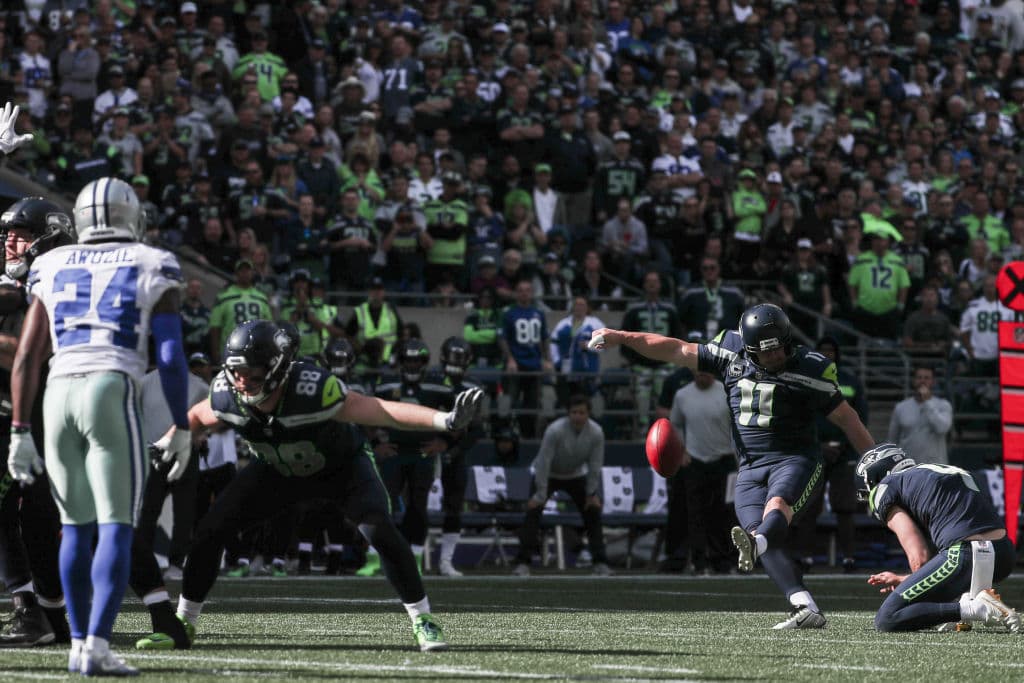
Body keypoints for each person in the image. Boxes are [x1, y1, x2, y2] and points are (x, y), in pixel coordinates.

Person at [169, 320, 484, 652]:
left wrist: (443, 420)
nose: (243, 379)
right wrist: (167, 443)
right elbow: (195, 417)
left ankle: (423, 620)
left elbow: (378, 410)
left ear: (278, 367)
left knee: (379, 530)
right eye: (237, 370)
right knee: (210, 531)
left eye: (253, 370)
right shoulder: (226, 393)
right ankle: (182, 624)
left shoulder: (312, 388)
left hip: (340, 467)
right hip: (278, 470)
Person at [590, 303, 876, 628]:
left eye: (779, 349)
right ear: (749, 347)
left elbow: (848, 419)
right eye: (764, 353)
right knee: (756, 537)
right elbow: (675, 349)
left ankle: (763, 545)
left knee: (775, 509)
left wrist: (874, 461)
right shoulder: (730, 353)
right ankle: (803, 605)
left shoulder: (810, 368)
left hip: (795, 459)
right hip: (750, 467)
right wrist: (621, 336)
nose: (774, 358)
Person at [8, 178, 193, 675]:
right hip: (110, 387)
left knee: (73, 528)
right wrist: (182, 424)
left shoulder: (48, 264)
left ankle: (73, 642)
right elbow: (172, 357)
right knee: (115, 525)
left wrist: (21, 429)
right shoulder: (153, 261)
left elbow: (26, 356)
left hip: (57, 394)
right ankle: (96, 645)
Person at [0, 197, 74, 648]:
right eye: (6, 232)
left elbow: (25, 354)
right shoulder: (17, 282)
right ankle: (36, 611)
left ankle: (48, 613)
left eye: (21, 234)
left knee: (44, 518)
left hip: (54, 409)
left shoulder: (59, 277)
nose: (10, 241)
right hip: (16, 412)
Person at [859, 444, 1020, 633]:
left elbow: (918, 555)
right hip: (1003, 555)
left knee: (887, 618)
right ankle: (966, 600)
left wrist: (917, 590)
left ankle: (977, 608)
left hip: (965, 554)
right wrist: (908, 580)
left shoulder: (887, 486)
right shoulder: (943, 470)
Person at [129, 351, 212, 651]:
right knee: (146, 511)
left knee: (184, 511)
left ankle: (176, 561)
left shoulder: (198, 385)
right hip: (154, 451)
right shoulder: (144, 381)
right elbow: (134, 412)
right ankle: (151, 562)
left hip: (184, 450)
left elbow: (209, 413)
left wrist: (200, 435)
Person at [369, 340, 454, 574]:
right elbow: (367, 414)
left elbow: (458, 418)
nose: (413, 365)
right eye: (408, 360)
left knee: (418, 506)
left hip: (422, 451)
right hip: (394, 450)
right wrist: (376, 443)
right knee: (383, 504)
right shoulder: (386, 383)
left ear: (425, 362)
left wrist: (445, 442)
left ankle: (414, 557)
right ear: (401, 361)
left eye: (417, 360)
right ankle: (376, 556)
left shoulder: (439, 384)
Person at [513, 395, 611, 577]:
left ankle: (600, 562)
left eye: (582, 412)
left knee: (593, 512)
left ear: (588, 413)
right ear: (568, 414)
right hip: (548, 474)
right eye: (574, 412)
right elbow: (543, 462)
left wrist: (591, 493)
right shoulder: (554, 430)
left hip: (576, 475)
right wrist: (540, 494)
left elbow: (595, 465)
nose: (577, 416)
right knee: (533, 513)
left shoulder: (597, 433)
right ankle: (523, 563)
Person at [795, 337, 868, 573]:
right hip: (815, 452)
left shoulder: (850, 381)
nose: (828, 354)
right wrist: (818, 446)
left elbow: (859, 419)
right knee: (808, 507)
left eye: (831, 350)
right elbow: (800, 418)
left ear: (838, 354)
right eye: (823, 350)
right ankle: (805, 557)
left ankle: (848, 558)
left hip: (843, 455)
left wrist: (844, 448)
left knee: (845, 508)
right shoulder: (807, 380)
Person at [668, 368, 736, 575]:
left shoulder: (727, 392)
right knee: (695, 513)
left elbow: (737, 425)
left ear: (713, 373)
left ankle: (724, 560)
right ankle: (699, 561)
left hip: (724, 460)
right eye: (698, 372)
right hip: (695, 461)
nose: (701, 376)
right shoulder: (682, 395)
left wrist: (737, 454)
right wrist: (682, 451)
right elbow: (675, 425)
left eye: (705, 372)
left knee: (724, 513)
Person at [435, 337, 484, 576]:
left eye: (460, 358)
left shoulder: (473, 385)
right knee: (418, 506)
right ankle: (413, 555)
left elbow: (477, 428)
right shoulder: (431, 381)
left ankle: (446, 560)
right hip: (428, 447)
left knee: (454, 507)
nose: (456, 363)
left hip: (455, 453)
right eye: (453, 357)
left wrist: (454, 449)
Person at [621, 271, 683, 429]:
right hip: (641, 366)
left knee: (665, 401)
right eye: (648, 281)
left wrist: (673, 359)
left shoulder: (670, 309)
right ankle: (641, 431)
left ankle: (665, 432)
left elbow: (678, 335)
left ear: (660, 285)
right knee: (641, 402)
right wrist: (633, 360)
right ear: (644, 284)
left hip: (664, 365)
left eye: (655, 281)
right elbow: (624, 337)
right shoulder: (634, 309)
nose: (652, 284)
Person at [498, 280, 553, 438]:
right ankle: (504, 436)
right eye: (520, 290)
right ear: (516, 293)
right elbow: (502, 338)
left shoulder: (539, 313)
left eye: (527, 290)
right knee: (508, 402)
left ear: (532, 293)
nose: (524, 293)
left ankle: (528, 438)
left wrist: (547, 359)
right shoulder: (508, 313)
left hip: (534, 366)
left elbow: (544, 338)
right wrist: (510, 359)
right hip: (515, 365)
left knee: (532, 405)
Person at [887, 366, 953, 466]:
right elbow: (892, 440)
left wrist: (927, 402)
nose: (922, 381)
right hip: (908, 468)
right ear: (913, 381)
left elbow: (942, 428)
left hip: (935, 469)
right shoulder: (901, 407)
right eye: (919, 377)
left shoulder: (943, 405)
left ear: (933, 382)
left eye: (926, 378)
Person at [208, 259, 273, 360]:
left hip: (256, 350)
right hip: (230, 350)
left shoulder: (261, 298)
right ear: (236, 273)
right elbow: (215, 327)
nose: (245, 274)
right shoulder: (224, 296)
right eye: (241, 271)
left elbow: (268, 325)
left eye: (247, 270)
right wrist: (215, 353)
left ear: (252, 273)